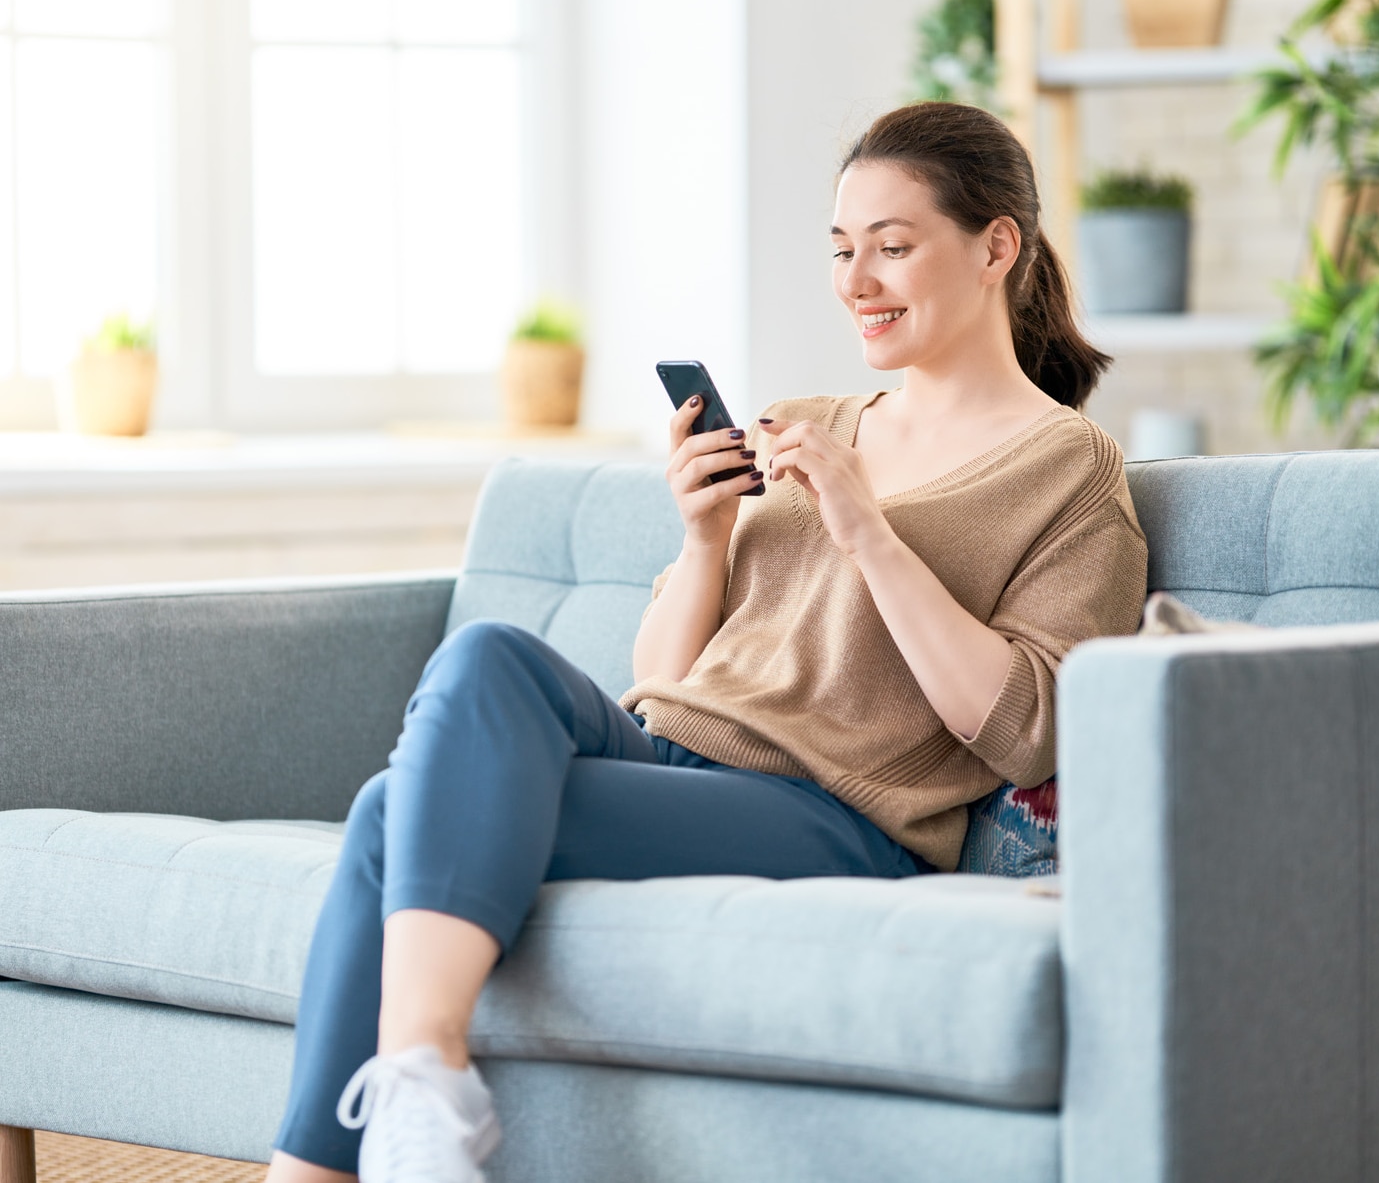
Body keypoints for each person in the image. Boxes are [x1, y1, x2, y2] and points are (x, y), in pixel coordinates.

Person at [264, 100, 1149, 1183]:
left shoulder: (1070, 470)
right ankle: (420, 1089)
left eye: (892, 247)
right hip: (678, 757)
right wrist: (704, 534)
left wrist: (865, 528)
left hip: (834, 815)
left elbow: (1023, 730)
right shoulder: (810, 419)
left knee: (394, 809)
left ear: (995, 246)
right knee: (487, 656)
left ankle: (379, 1125)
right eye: (840, 250)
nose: (855, 281)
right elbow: (662, 684)